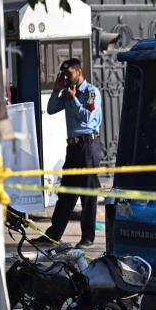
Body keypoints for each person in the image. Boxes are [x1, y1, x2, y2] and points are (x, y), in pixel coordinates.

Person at [32, 58, 102, 248]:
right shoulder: (67, 91)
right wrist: (56, 90)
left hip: (88, 146)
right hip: (73, 148)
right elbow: (52, 109)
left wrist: (73, 98)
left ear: (79, 73)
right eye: (63, 75)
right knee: (66, 192)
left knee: (88, 193)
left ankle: (87, 237)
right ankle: (54, 234)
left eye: (68, 74)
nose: (66, 78)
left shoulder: (91, 92)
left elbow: (88, 118)